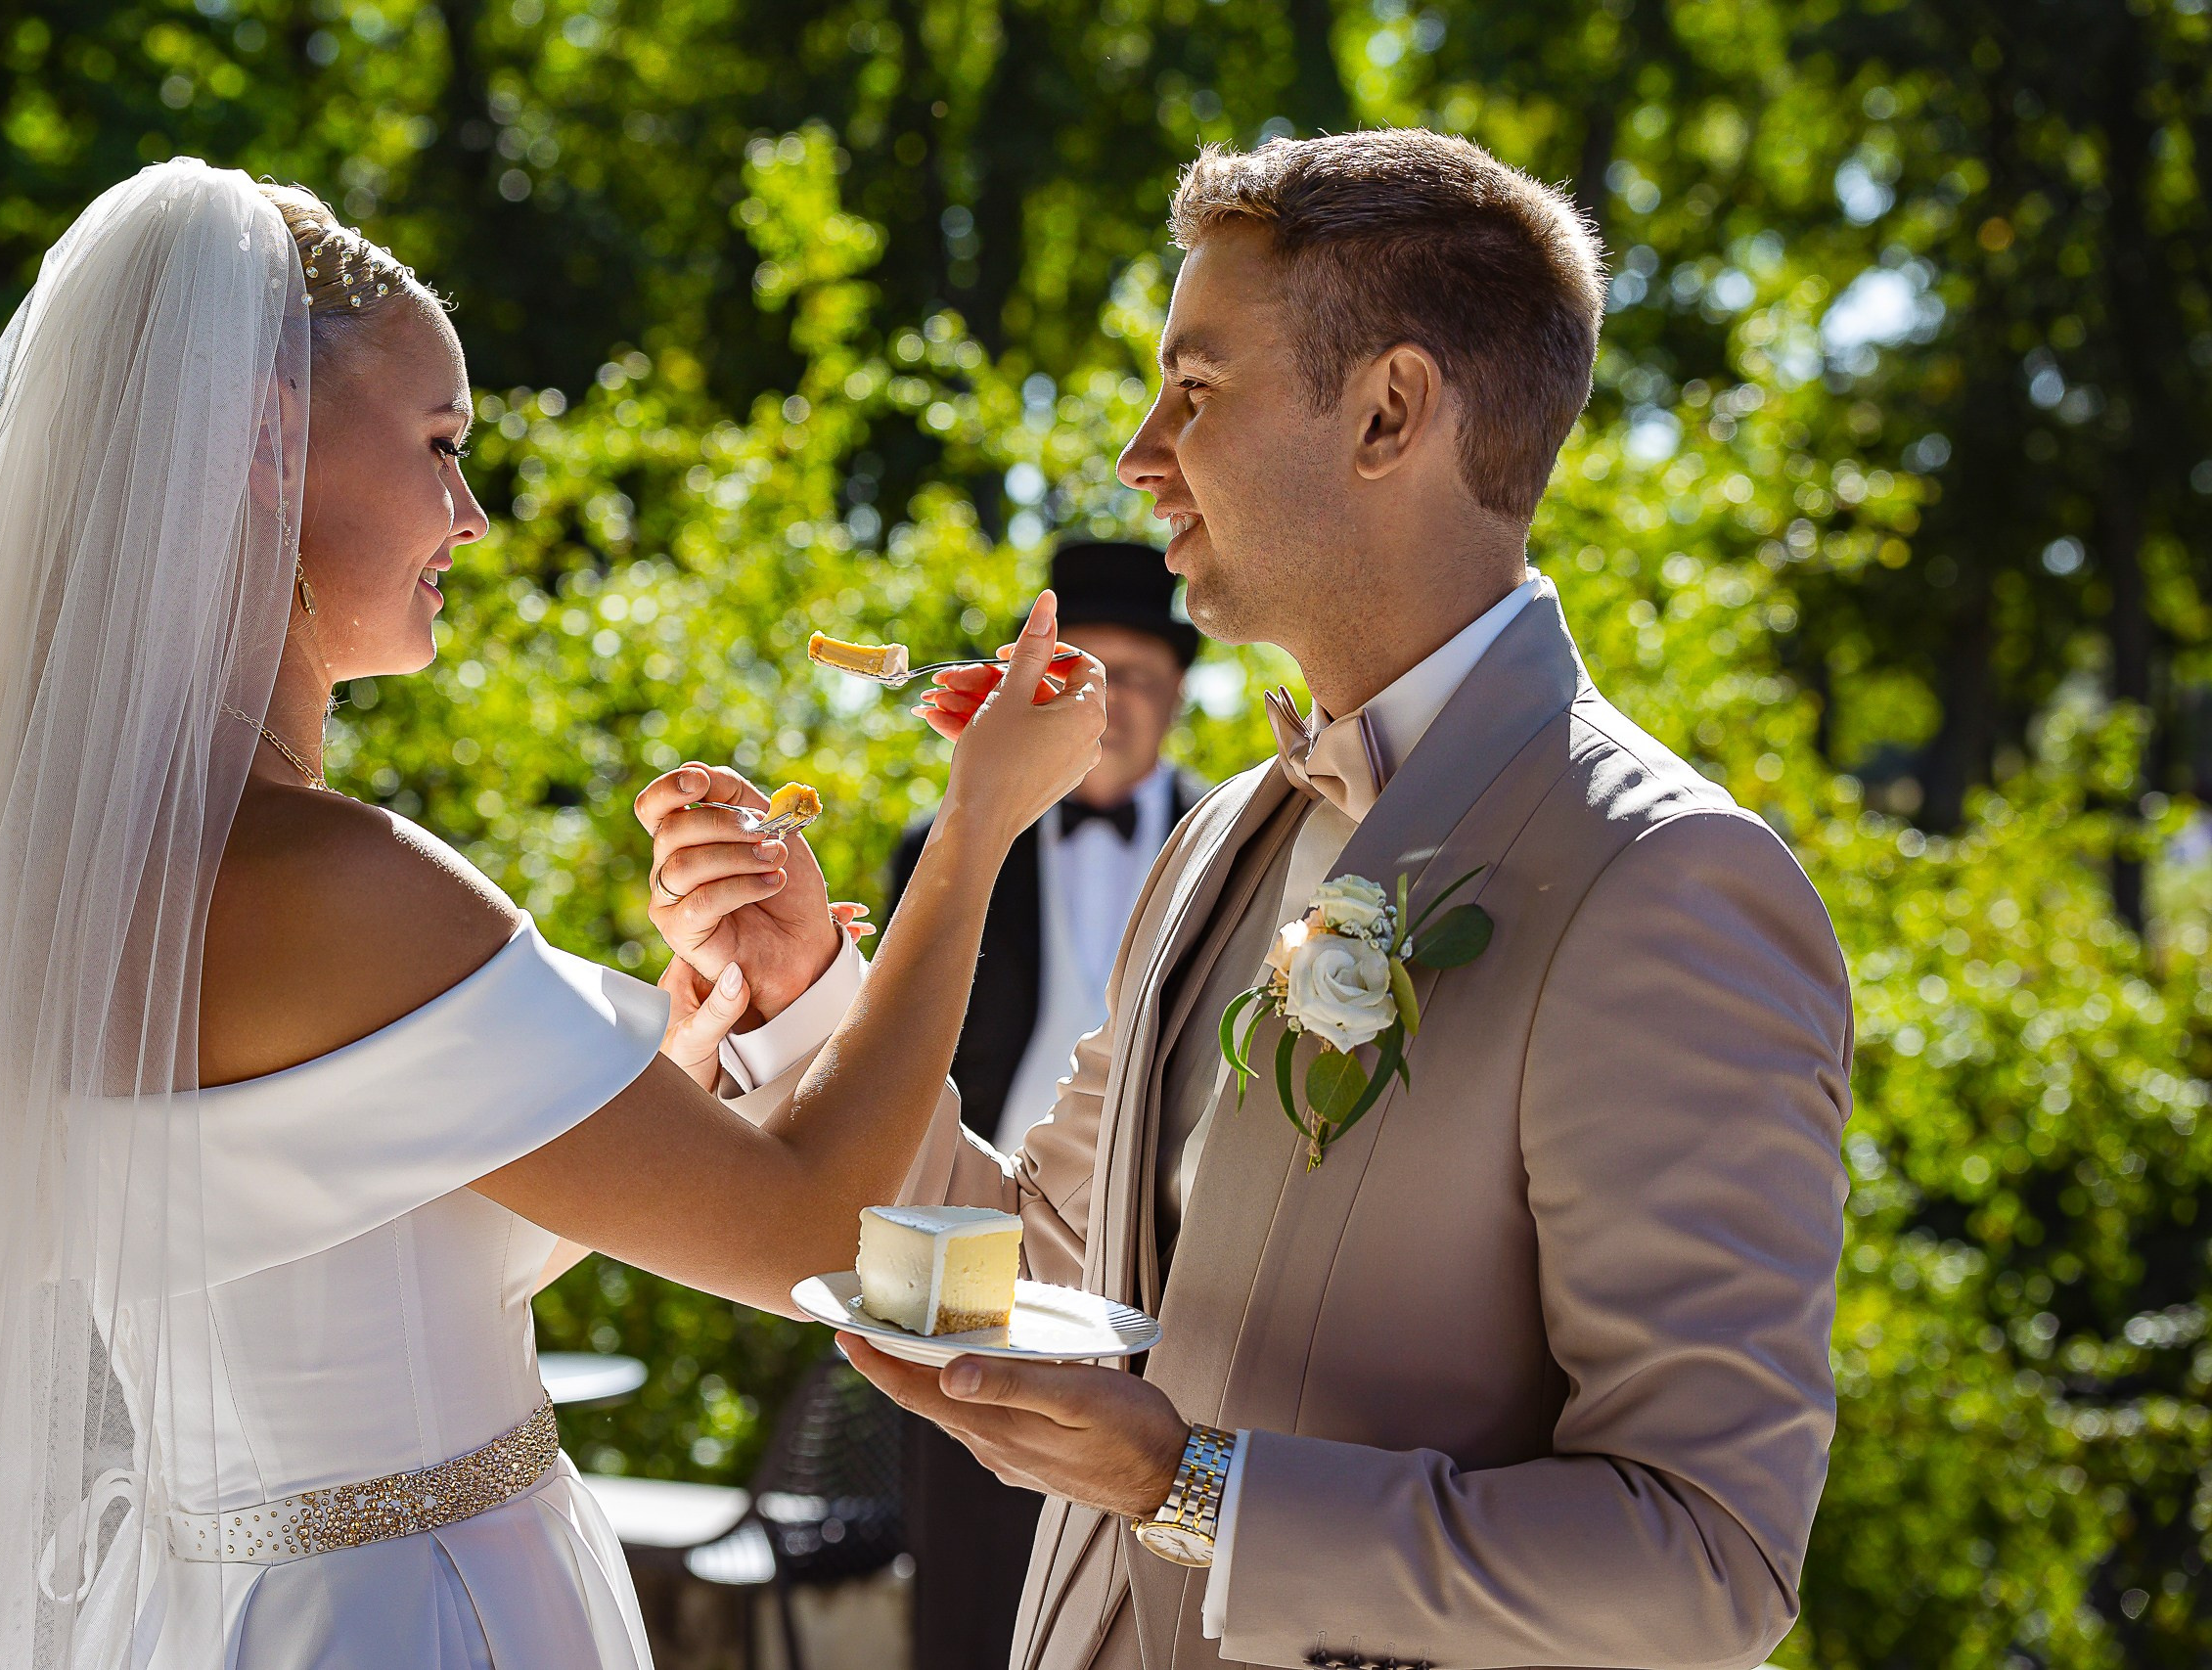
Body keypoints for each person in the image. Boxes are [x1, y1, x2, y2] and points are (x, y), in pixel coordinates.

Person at [0, 160, 1106, 1670]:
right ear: (267, 438)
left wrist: (706, 1014)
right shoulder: (343, 881)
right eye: (440, 444)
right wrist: (978, 829)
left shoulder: (77, 889)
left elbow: (382, 1208)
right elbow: (815, 1235)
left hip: (212, 1611)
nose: (477, 514)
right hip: (427, 1613)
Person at [647, 128, 1852, 1670]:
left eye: (1195, 389)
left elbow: (1705, 1561)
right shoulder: (1219, 836)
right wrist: (809, 980)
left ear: (1389, 412)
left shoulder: (1666, 881)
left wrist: (1190, 1484)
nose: (1144, 451)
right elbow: (1040, 1261)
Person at [878, 541, 1202, 1670]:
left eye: (1141, 678)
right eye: (1086, 675)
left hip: (1173, 1255)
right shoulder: (951, 838)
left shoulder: (1232, 847)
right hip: (976, 1236)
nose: (1111, 707)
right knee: (970, 1560)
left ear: (1175, 693)